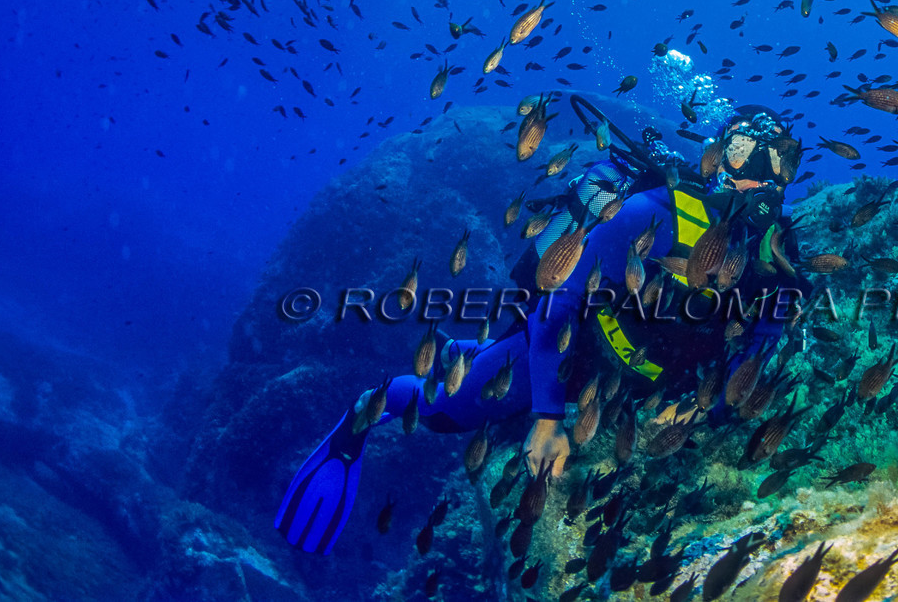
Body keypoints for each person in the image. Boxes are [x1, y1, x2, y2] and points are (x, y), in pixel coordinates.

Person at [275, 103, 811, 555]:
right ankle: (371, 407)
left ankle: (468, 350)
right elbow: (561, 300)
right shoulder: (658, 213)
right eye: (744, 154)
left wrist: (703, 407)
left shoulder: (778, 262)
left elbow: (756, 354)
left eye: (781, 163)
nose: (763, 178)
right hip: (574, 348)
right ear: (718, 158)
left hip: (638, 386)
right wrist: (549, 418)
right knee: (443, 415)